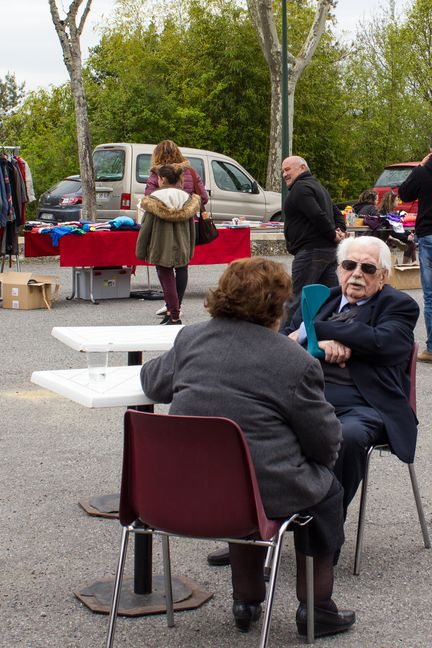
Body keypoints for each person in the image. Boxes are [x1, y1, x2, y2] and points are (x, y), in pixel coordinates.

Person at [140, 257, 355, 639]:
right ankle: (317, 608)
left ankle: (246, 601)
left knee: (238, 478)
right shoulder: (293, 360)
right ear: (278, 305)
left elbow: (154, 385)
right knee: (323, 489)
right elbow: (325, 440)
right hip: (256, 492)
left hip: (177, 494)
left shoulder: (190, 338)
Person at [283, 236, 419, 520]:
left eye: (368, 268)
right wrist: (317, 344)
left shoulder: (398, 305)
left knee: (348, 436)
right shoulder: (320, 298)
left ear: (383, 275)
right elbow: (279, 342)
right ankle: (258, 524)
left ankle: (323, 529)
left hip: (364, 404)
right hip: (306, 398)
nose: (357, 273)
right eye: (349, 265)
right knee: (250, 423)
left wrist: (314, 331)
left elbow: (383, 343)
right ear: (338, 269)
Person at [145, 139, 209, 321]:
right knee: (182, 266)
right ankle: (176, 307)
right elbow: (203, 197)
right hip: (188, 225)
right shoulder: (190, 172)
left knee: (163, 266)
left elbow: (149, 198)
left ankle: (171, 308)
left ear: (157, 155)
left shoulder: (157, 174)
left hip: (163, 227)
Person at [281, 156, 346, 323]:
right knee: (329, 299)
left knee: (296, 299)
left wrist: (334, 233)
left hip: (310, 253)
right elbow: (336, 213)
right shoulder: (319, 187)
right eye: (283, 171)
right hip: (329, 252)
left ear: (302, 168)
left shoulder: (301, 188)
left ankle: (282, 339)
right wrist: (340, 231)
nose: (284, 174)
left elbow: (316, 215)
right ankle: (329, 335)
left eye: (288, 169)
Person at [136, 164, 201, 324]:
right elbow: (192, 226)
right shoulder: (188, 199)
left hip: (161, 243)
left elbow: (146, 227)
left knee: (165, 274)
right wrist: (190, 245)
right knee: (182, 270)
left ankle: (174, 314)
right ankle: (175, 311)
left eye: (158, 177)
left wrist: (141, 248)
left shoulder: (154, 200)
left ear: (163, 179)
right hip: (183, 241)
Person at [399, 146, 432, 362]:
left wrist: (420, 165)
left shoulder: (423, 172)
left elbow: (405, 194)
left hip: (429, 234)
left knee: (430, 295)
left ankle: (431, 349)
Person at [378, 190, 416, 264]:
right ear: (391, 202)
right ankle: (405, 265)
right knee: (410, 243)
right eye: (396, 200)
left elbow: (398, 228)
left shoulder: (391, 212)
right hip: (385, 236)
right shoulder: (384, 214)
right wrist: (405, 237)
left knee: (411, 241)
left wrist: (408, 234)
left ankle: (407, 264)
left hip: (392, 234)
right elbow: (391, 230)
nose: (398, 201)